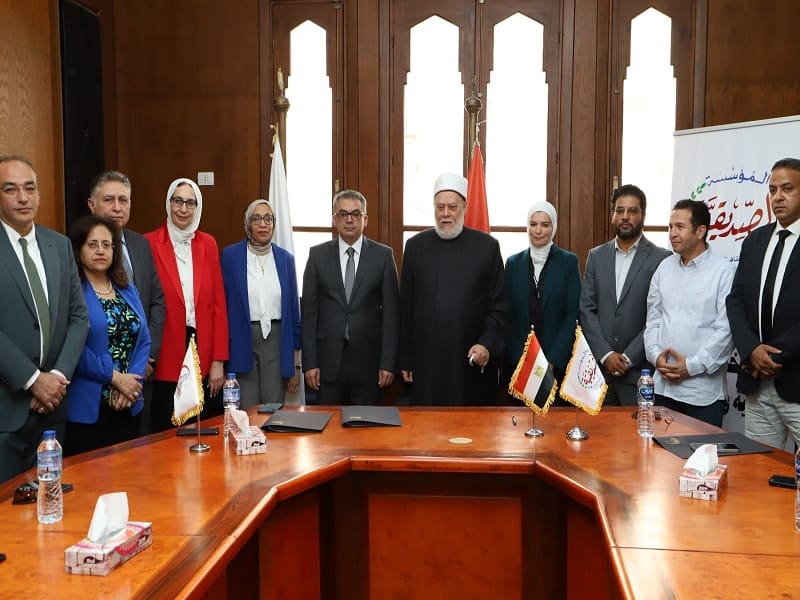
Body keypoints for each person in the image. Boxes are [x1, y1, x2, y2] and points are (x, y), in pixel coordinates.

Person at [0, 155, 88, 483]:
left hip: (53, 409)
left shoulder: (59, 245)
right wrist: (33, 380)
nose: (23, 198)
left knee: (51, 509)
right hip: (7, 413)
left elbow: (78, 318)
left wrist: (57, 378)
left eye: (29, 189)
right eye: (11, 189)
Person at [399, 172, 507, 405]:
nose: (446, 214)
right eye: (440, 207)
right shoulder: (415, 247)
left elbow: (499, 306)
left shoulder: (487, 247)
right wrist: (405, 358)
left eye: (452, 207)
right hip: (426, 363)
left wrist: (486, 344)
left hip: (469, 360)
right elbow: (405, 308)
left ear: (465, 208)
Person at [727, 157, 800, 448]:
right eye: (772, 190)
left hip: (795, 378)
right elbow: (735, 301)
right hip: (758, 382)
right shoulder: (755, 240)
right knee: (759, 472)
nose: (778, 197)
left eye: (787, 189)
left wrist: (775, 357)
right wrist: (751, 350)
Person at [145, 178, 228, 432]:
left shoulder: (208, 243)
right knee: (168, 429)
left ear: (197, 207)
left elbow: (218, 304)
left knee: (206, 427)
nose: (183, 209)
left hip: (203, 346)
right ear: (168, 204)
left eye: (190, 203)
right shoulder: (148, 242)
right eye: (177, 201)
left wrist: (218, 360)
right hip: (167, 347)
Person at [302, 190, 400, 404]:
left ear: (366, 219)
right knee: (328, 432)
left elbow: (392, 315)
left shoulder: (383, 256)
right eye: (343, 213)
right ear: (334, 219)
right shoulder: (317, 256)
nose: (349, 219)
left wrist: (388, 363)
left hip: (369, 364)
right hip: (327, 364)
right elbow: (309, 313)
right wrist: (309, 363)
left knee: (366, 432)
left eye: (356, 214)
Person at [65, 215, 151, 455]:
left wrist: (130, 383)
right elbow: (75, 348)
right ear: (78, 250)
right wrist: (115, 379)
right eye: (92, 245)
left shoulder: (126, 288)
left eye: (106, 244)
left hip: (128, 402)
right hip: (89, 409)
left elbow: (144, 338)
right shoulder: (73, 292)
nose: (100, 250)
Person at [644, 199, 734, 426]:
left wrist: (691, 366)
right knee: (659, 460)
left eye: (680, 227)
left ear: (701, 231)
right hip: (662, 389)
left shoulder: (723, 272)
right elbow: (653, 320)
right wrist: (655, 356)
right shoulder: (664, 267)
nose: (672, 233)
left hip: (702, 395)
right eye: (670, 226)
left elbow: (726, 332)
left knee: (701, 460)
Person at [87, 170, 165, 435]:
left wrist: (145, 360)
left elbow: (156, 303)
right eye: (109, 200)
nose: (117, 208)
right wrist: (117, 377)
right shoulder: (76, 250)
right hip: (95, 383)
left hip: (140, 375)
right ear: (91, 205)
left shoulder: (140, 244)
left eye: (124, 200)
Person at [579, 185, 671, 405]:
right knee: (599, 438)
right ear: (612, 215)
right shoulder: (596, 256)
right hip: (599, 373)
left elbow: (657, 316)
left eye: (632, 211)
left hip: (639, 374)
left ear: (643, 215)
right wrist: (606, 354)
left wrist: (629, 357)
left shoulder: (661, 258)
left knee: (637, 437)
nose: (625, 217)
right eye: (619, 211)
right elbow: (586, 309)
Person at [222, 199, 301, 408]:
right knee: (247, 411)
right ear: (248, 224)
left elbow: (294, 313)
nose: (263, 224)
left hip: (277, 342)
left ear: (274, 224)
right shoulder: (230, 256)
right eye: (257, 219)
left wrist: (296, 365)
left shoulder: (286, 259)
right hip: (242, 341)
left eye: (268, 219)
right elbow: (222, 307)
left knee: (273, 410)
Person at [505, 201, 581, 391]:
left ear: (553, 228)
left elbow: (572, 316)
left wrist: (553, 360)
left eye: (544, 225)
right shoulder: (513, 263)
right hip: (519, 365)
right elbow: (507, 315)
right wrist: (521, 360)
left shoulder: (569, 263)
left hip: (555, 366)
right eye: (533, 224)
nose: (538, 230)